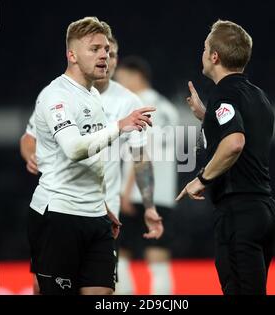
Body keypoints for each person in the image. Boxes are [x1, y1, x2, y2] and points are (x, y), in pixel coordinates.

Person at [27, 16, 161, 295]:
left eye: (107, 50)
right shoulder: (56, 96)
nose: (104, 55)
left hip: (98, 216)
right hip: (60, 215)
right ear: (72, 54)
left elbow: (101, 161)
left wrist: (102, 206)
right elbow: (75, 148)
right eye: (95, 49)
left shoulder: (93, 97)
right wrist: (119, 125)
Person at [176, 20, 275, 295]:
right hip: (264, 209)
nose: (202, 53)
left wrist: (202, 178)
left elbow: (234, 143)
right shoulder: (258, 96)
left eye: (205, 47)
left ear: (214, 56)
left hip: (239, 211)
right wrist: (207, 116)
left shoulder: (224, 93)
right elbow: (242, 135)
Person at [115, 56, 179, 295]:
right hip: (162, 194)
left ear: (136, 76)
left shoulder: (137, 106)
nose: (119, 84)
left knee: (120, 256)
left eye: (121, 79)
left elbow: (143, 150)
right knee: (158, 259)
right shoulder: (168, 108)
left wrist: (126, 190)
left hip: (136, 192)